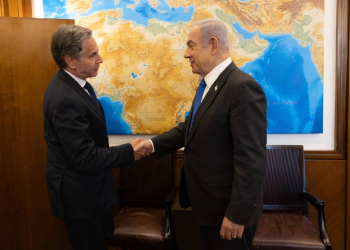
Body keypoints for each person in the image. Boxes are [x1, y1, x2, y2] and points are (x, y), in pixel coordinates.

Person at [135, 19, 267, 250]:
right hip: (208, 207)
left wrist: (236, 215)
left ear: (213, 45)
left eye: (191, 45)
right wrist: (152, 145)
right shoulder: (208, 85)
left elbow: (251, 159)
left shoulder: (241, 87)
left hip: (227, 211)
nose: (186, 54)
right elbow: (190, 128)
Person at [43, 25, 145, 250]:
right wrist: (129, 151)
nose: (100, 59)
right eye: (92, 55)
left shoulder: (79, 86)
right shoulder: (65, 98)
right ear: (71, 60)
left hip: (92, 192)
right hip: (80, 199)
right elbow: (84, 157)